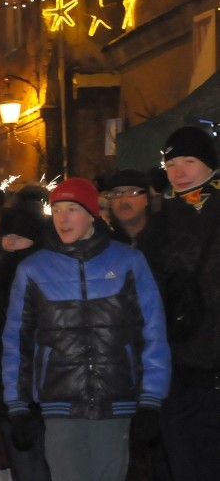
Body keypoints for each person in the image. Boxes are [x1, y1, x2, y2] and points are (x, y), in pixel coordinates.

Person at [2, 178, 171, 481]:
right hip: (60, 402)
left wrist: (151, 398)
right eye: (56, 210)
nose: (63, 219)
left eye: (72, 209)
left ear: (92, 213)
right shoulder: (33, 269)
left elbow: (152, 331)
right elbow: (17, 339)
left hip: (114, 401)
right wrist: (17, 404)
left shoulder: (128, 261)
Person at [138, 125, 220, 480]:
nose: (179, 171)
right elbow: (143, 296)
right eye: (171, 164)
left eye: (189, 160)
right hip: (177, 365)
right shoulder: (159, 224)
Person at [0, 201, 51, 481]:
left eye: (17, 238)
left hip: (47, 395)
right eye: (6, 236)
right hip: (9, 392)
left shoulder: (45, 278)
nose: (9, 244)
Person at [104, 169, 152, 246]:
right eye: (116, 194)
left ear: (146, 199)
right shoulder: (103, 243)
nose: (123, 201)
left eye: (132, 193)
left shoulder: (164, 238)